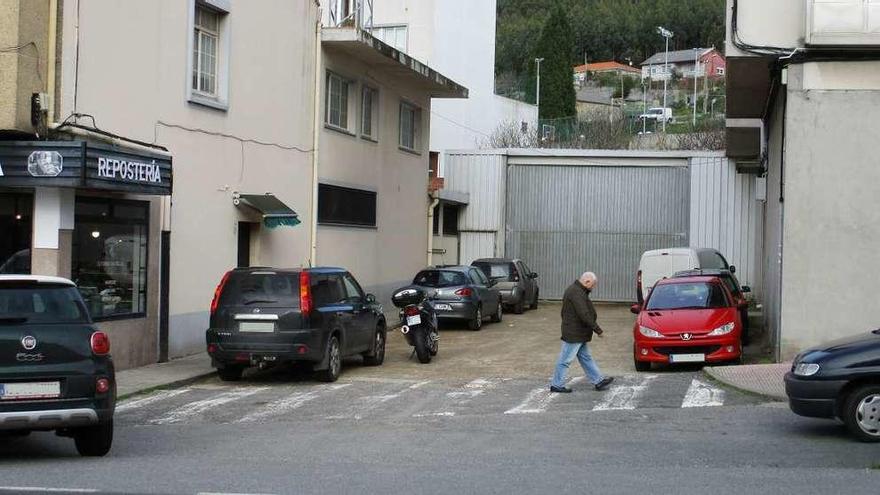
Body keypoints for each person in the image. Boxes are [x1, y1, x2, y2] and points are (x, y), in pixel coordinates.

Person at [550, 272, 614, 393]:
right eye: (593, 285)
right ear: (587, 282)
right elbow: (584, 314)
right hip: (574, 333)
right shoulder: (576, 293)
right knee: (565, 360)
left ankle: (598, 380)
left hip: (577, 332)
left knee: (586, 357)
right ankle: (556, 385)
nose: (593, 288)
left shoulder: (577, 290)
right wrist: (597, 330)